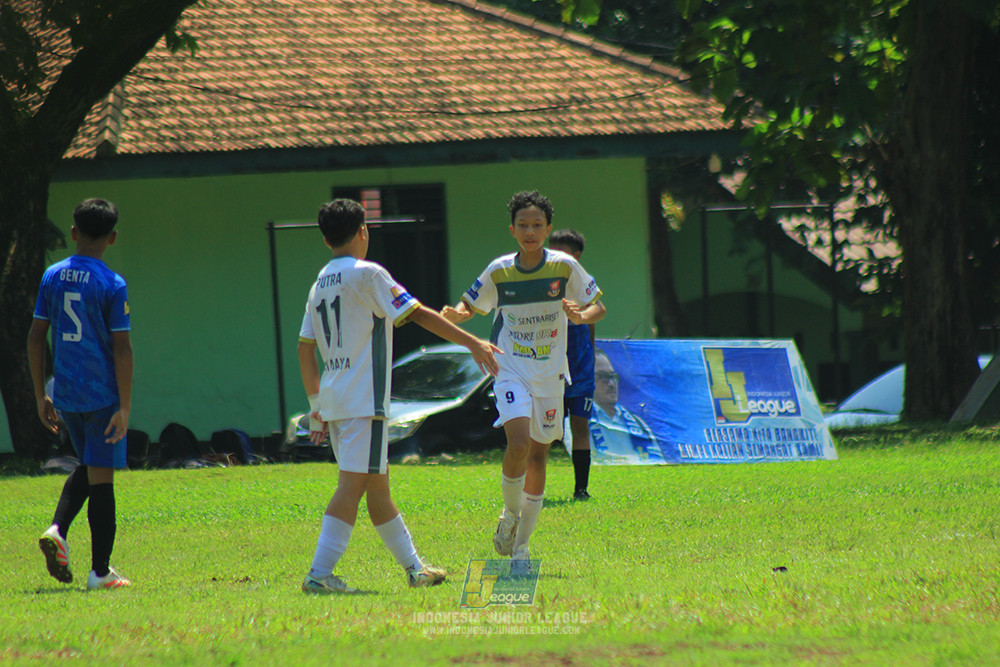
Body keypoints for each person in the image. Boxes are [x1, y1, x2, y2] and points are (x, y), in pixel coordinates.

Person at [298, 198, 500, 594]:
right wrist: (473, 341)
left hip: (338, 400)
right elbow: (418, 313)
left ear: (325, 240)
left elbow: (305, 347)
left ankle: (415, 569)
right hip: (364, 403)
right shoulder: (368, 273)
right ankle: (318, 576)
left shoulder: (320, 282)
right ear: (363, 232)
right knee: (352, 486)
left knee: (377, 489)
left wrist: (316, 406)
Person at [442, 190, 605, 573]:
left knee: (539, 454)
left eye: (537, 225)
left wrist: (581, 316)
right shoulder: (499, 270)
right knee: (517, 441)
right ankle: (510, 513)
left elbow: (599, 304)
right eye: (523, 225)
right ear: (512, 230)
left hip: (551, 374)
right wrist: (460, 315)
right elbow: (471, 303)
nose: (529, 231)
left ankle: (521, 550)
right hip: (510, 367)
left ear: (547, 229)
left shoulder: (564, 267)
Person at [27, 198, 134, 590]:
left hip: (67, 392)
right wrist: (124, 405)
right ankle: (100, 572)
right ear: (113, 237)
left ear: (73, 233)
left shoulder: (51, 277)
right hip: (102, 393)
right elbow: (122, 347)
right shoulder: (111, 283)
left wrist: (42, 395)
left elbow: (36, 337)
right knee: (102, 479)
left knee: (89, 466)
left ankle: (57, 528)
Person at [548, 229, 596, 501]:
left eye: (559, 252)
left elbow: (592, 322)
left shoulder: (583, 285)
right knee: (543, 431)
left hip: (579, 370)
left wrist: (589, 361)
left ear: (576, 257)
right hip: (548, 370)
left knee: (580, 426)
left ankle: (581, 489)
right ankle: (533, 490)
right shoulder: (543, 284)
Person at [589, 348, 662, 463]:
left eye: (613, 376)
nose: (611, 384)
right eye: (602, 377)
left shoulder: (638, 424)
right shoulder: (579, 422)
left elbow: (657, 462)